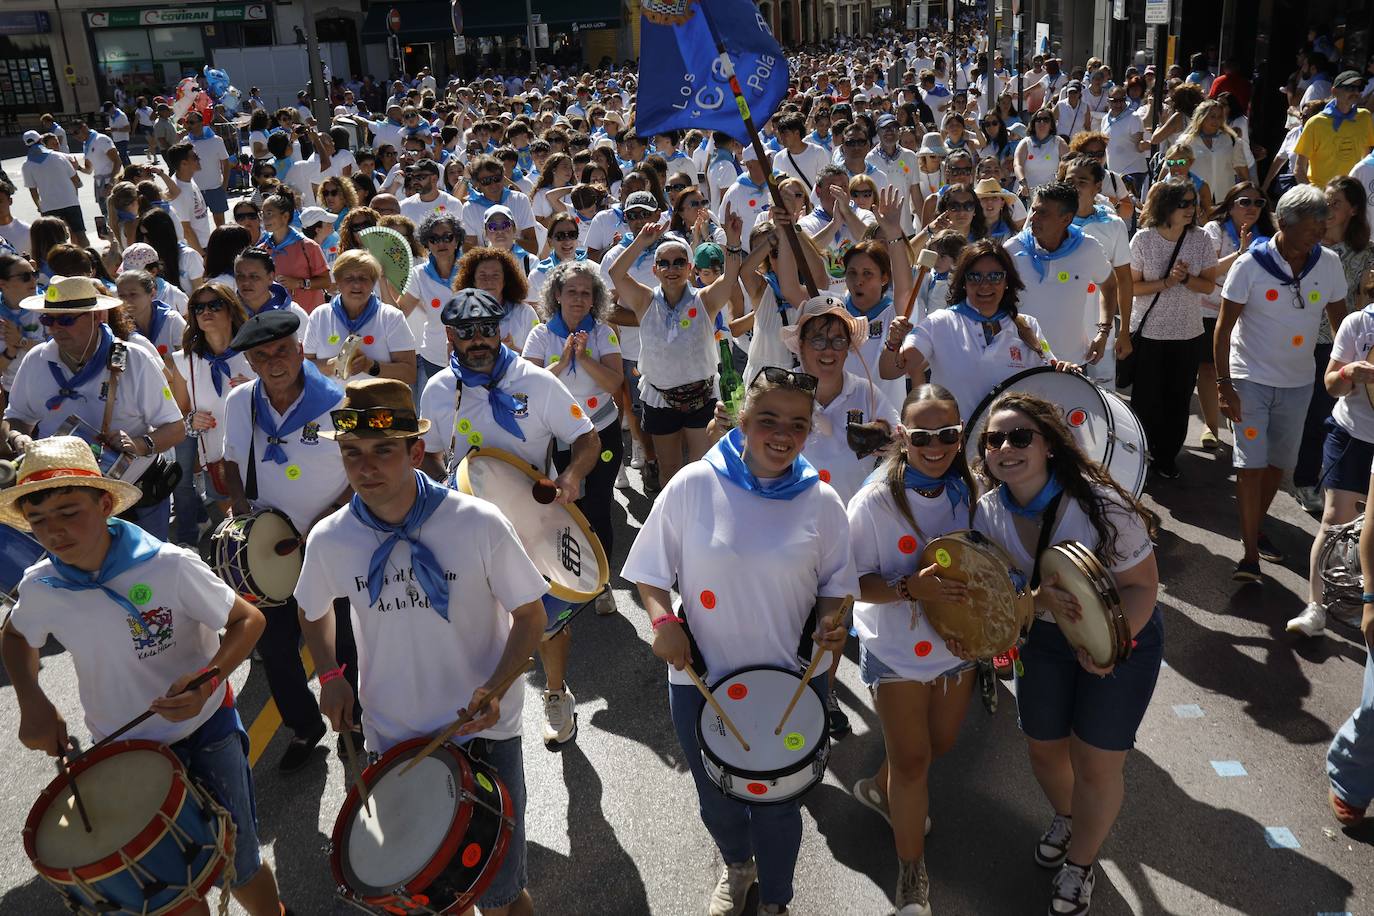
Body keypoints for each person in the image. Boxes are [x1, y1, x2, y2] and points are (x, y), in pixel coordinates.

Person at [0, 436, 292, 916]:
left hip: (205, 733)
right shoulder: (41, 585)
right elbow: (15, 637)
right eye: (39, 521)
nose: (55, 532)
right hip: (122, 750)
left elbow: (248, 620)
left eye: (69, 512)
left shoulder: (168, 565)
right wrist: (32, 699)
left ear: (105, 501)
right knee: (168, 888)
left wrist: (208, 679)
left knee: (238, 865)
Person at [296, 378, 545, 916]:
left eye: (383, 450)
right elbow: (310, 610)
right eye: (352, 454)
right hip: (394, 740)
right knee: (428, 898)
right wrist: (330, 676)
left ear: (414, 451)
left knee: (500, 894)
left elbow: (530, 616)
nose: (365, 468)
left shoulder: (477, 522)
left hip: (484, 736)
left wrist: (497, 687)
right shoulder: (330, 539)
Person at [623, 366, 857, 916]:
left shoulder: (822, 501)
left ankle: (776, 900)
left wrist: (831, 621)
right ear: (743, 421)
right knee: (716, 798)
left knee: (779, 809)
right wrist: (663, 624)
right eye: (768, 420)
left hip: (792, 683)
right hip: (701, 677)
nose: (782, 435)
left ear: (808, 432)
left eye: (796, 425)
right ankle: (738, 866)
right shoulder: (693, 485)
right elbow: (650, 575)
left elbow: (835, 588)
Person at [972, 392, 1161, 916]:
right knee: (1043, 747)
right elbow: (998, 588)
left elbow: (1143, 587)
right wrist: (1026, 604)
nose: (1006, 447)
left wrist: (1111, 648)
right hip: (1044, 638)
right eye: (994, 440)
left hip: (1122, 634)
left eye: (1020, 436)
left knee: (1096, 760)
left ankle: (1080, 864)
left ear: (1051, 445)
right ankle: (1069, 815)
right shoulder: (989, 510)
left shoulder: (1101, 504)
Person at [418, 288, 599, 746]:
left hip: (533, 525)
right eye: (465, 331)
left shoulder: (536, 382)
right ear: (450, 336)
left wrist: (573, 475)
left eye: (485, 329)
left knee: (545, 621)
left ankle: (555, 693)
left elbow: (586, 437)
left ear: (500, 330)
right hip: (467, 529)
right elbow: (431, 455)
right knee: (474, 622)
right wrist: (451, 489)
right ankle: (480, 700)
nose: (476, 339)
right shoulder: (439, 390)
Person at [848, 384, 977, 916]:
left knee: (937, 744)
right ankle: (911, 877)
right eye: (922, 435)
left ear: (960, 434)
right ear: (902, 435)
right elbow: (850, 582)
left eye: (947, 434)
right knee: (914, 760)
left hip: (956, 648)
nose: (935, 445)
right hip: (894, 648)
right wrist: (909, 589)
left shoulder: (972, 491)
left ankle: (881, 789)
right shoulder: (875, 500)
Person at [221, 309, 357, 769]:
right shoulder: (241, 402)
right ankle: (305, 726)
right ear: (253, 363)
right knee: (275, 649)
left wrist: (331, 515)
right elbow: (231, 464)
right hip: (269, 548)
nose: (275, 361)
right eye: (263, 355)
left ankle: (352, 720)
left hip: (331, 537)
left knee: (341, 641)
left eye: (282, 350)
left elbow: (360, 468)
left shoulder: (339, 399)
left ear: (300, 351)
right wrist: (240, 506)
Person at [1214, 185, 1349, 582]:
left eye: (1325, 221)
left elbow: (1344, 325)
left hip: (1297, 382)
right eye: (1314, 223)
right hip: (1249, 379)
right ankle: (1250, 555)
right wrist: (1224, 384)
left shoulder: (1328, 263)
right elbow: (1223, 330)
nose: (1322, 230)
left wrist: (1348, 370)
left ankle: (1255, 526)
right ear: (1285, 223)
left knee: (1277, 465)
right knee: (1251, 464)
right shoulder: (1250, 264)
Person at [4, 276, 186, 538]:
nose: (55, 328)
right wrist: (17, 435)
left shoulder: (134, 359)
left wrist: (139, 444)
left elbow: (176, 429)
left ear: (97, 316)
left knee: (144, 577)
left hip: (135, 496)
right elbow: (15, 418)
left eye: (66, 319)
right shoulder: (35, 360)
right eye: (48, 319)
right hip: (64, 504)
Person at [608, 212, 744, 484]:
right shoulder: (644, 299)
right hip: (660, 397)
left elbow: (729, 278)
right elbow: (615, 273)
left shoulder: (704, 300)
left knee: (701, 471)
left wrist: (733, 240)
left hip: (702, 395)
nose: (672, 269)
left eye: (679, 262)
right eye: (665, 263)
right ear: (655, 270)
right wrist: (640, 241)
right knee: (669, 472)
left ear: (690, 268)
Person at [524, 261, 624, 615]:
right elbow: (528, 387)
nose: (579, 299)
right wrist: (563, 361)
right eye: (572, 291)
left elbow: (615, 383)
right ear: (557, 295)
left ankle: (602, 584)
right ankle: (569, 580)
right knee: (564, 511)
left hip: (602, 431)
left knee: (598, 505)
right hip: (556, 439)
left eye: (586, 292)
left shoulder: (602, 333)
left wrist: (585, 358)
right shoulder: (539, 334)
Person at [1289, 265, 1374, 637]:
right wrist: (1347, 374)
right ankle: (1316, 608)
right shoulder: (1358, 323)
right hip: (1352, 435)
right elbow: (1330, 385)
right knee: (1333, 522)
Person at [882, 239, 1053, 418]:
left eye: (995, 276)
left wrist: (1064, 370)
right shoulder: (939, 323)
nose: (985, 284)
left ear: (1007, 281)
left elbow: (1048, 375)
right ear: (963, 281)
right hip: (957, 442)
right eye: (975, 276)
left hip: (1009, 444)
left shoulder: (1028, 326)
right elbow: (889, 371)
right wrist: (893, 343)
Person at [1127, 178, 1219, 479]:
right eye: (1184, 203)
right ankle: (1140, 456)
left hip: (1188, 333)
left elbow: (1207, 285)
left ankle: (1167, 458)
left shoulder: (1201, 238)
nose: (1191, 209)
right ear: (1166, 206)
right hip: (1149, 332)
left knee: (1178, 399)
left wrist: (1184, 280)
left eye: (1193, 203)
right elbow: (1131, 288)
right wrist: (1165, 283)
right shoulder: (1142, 239)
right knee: (1146, 399)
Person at [1292, 177, 1374, 510]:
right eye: (1326, 202)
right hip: (1301, 338)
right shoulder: (1310, 247)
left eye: (1336, 203)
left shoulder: (1366, 253)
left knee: (1322, 414)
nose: (1328, 209)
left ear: (1354, 210)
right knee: (1301, 412)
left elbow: (1364, 298)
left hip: (1341, 343)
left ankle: (1312, 479)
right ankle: (1298, 475)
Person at [1003, 181, 1113, 367]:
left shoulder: (1088, 248)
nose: (1033, 218)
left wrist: (1103, 332)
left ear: (1066, 219)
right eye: (1034, 210)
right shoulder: (1011, 250)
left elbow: (1110, 286)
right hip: (1021, 363)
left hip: (1072, 362)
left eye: (1043, 213)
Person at [1199, 183, 1275, 450]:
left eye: (1258, 203)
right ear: (1230, 205)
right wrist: (1241, 252)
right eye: (1245, 201)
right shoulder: (1213, 230)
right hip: (1211, 310)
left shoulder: (1270, 235)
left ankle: (1238, 415)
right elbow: (1207, 273)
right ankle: (1210, 426)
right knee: (1209, 369)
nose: (1252, 208)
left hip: (1252, 314)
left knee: (1244, 370)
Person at [303, 249, 415, 384]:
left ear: (374, 283)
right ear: (337, 282)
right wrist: (331, 366)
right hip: (334, 404)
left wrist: (370, 366)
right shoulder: (319, 316)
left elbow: (409, 374)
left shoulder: (392, 317)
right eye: (348, 278)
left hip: (378, 403)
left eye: (363, 278)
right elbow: (303, 367)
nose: (356, 284)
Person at [1294, 71, 1374, 190]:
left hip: (1353, 196)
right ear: (1334, 91)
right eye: (1350, 88)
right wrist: (1315, 197)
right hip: (1323, 196)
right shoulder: (1316, 123)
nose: (1356, 92)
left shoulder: (1365, 117)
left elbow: (1366, 159)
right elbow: (1299, 168)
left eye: (1359, 88)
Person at [258, 189, 329, 312]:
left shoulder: (308, 247)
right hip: (277, 317)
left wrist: (299, 283)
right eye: (262, 214)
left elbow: (326, 282)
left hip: (308, 315)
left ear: (285, 216)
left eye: (269, 213)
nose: (264, 219)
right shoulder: (262, 250)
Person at [20, 131, 87, 248]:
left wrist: (39, 206)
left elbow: (33, 190)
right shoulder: (59, 156)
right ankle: (91, 262)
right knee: (80, 235)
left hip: (48, 206)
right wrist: (74, 196)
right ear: (41, 140)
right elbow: (76, 180)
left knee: (54, 240)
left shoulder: (26, 165)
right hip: (70, 202)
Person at [1015, 110, 1068, 193]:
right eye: (1038, 119)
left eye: (1046, 120)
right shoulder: (1025, 142)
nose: (1042, 122)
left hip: (1050, 194)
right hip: (1026, 193)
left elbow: (1068, 165)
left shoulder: (1059, 142)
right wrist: (1022, 182)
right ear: (1033, 123)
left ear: (1051, 125)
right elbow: (1017, 165)